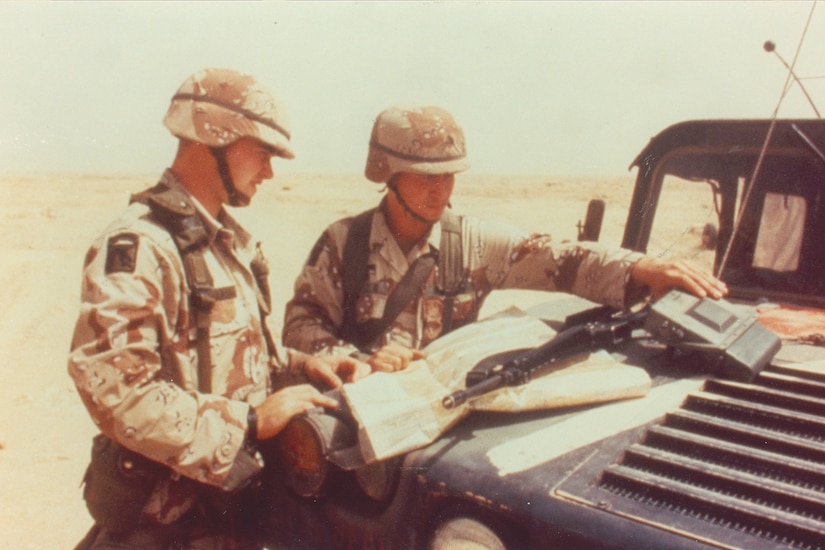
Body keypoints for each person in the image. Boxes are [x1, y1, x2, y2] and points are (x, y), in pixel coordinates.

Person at [68, 68, 368, 549]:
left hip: (227, 515)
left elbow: (233, 358)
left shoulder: (222, 244)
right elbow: (115, 390)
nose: (269, 172)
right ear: (215, 138)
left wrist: (305, 366)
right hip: (163, 523)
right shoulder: (143, 245)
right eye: (263, 152)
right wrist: (247, 423)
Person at [283, 103, 728, 372]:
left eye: (448, 175)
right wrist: (357, 362)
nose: (440, 189)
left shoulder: (473, 244)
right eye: (424, 176)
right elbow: (301, 325)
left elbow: (565, 260)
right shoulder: (344, 242)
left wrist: (643, 269)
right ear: (388, 173)